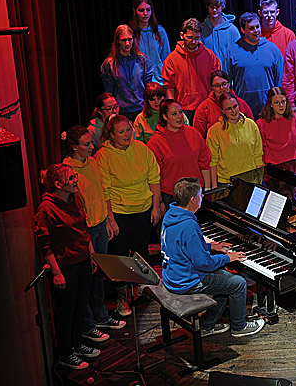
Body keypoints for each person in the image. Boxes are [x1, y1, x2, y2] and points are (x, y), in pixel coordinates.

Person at [160, 177, 265, 337]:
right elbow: (204, 263)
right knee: (238, 283)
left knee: (225, 279)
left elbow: (181, 247)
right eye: (201, 195)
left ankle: (207, 325)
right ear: (193, 200)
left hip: (172, 275)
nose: (203, 198)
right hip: (186, 281)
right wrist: (228, 258)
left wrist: (211, 246)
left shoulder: (171, 215)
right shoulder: (188, 225)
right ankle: (239, 326)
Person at [95, 115, 164, 316]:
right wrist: (110, 219)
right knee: (121, 257)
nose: (127, 134)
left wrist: (156, 206)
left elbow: (154, 178)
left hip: (143, 210)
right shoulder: (104, 156)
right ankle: (122, 299)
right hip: (119, 213)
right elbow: (104, 190)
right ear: (112, 135)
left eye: (128, 130)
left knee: (140, 252)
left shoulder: (142, 149)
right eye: (122, 131)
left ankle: (140, 290)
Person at [34, 163, 99, 369]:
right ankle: (66, 352)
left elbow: (83, 227)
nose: (75, 180)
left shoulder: (75, 198)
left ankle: (77, 344)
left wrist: (91, 255)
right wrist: (56, 272)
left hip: (82, 261)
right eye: (71, 178)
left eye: (74, 176)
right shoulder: (46, 209)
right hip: (65, 267)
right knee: (66, 311)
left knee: (81, 305)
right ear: (57, 184)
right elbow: (45, 244)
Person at [62, 125, 126, 335]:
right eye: (86, 144)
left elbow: (103, 190)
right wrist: (88, 237)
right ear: (73, 147)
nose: (92, 146)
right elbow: (76, 207)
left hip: (99, 225)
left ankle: (101, 317)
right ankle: (88, 325)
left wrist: (109, 219)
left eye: (92, 142)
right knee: (87, 278)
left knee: (99, 275)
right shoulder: (69, 171)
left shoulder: (93, 162)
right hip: (85, 230)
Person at [147, 98, 212, 199]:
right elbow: (153, 178)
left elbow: (204, 162)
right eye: (174, 114)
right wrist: (158, 202)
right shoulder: (155, 143)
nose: (179, 117)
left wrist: (208, 189)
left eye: (181, 112)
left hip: (196, 192)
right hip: (171, 196)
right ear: (165, 116)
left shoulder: (193, 133)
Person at [162, 18, 222, 120]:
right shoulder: (171, 59)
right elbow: (169, 88)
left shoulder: (210, 56)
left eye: (197, 38)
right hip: (182, 109)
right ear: (182, 35)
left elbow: (217, 83)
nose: (193, 42)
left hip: (206, 107)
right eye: (189, 37)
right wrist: (172, 110)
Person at [226, 11, 284, 118]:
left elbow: (279, 80)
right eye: (251, 28)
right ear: (243, 30)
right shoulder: (232, 50)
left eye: (257, 27)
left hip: (268, 109)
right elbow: (228, 81)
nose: (256, 31)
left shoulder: (272, 49)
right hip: (242, 109)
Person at [206, 92, 264, 184]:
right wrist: (214, 187)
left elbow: (258, 155)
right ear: (222, 111)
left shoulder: (251, 125)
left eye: (235, 106)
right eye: (228, 109)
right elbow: (213, 162)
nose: (233, 111)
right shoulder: (214, 131)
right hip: (226, 182)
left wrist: (259, 181)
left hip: (250, 180)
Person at [100, 24, 150, 119]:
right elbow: (109, 93)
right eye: (123, 40)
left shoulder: (143, 61)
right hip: (122, 111)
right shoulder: (110, 64)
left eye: (130, 39)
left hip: (141, 110)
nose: (127, 43)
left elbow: (148, 88)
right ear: (118, 41)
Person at [192, 70, 254, 143]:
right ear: (211, 88)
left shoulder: (241, 103)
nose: (221, 88)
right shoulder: (203, 108)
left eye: (224, 84)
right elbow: (198, 136)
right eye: (217, 86)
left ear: (229, 84)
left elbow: (251, 128)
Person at [257, 86, 296, 165]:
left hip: (293, 163)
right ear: (270, 104)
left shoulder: (295, 119)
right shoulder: (261, 123)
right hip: (273, 165)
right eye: (276, 102)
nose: (281, 105)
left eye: (283, 101)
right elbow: (261, 148)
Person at [129, 0, 169, 84]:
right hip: (139, 83)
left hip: (160, 81)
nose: (145, 14)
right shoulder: (131, 33)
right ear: (134, 11)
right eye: (141, 10)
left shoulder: (160, 31)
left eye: (148, 10)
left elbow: (166, 57)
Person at [200, 0, 240, 70]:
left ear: (223, 6)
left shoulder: (232, 30)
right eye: (211, 7)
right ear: (207, 7)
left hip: (228, 79)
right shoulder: (201, 29)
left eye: (217, 7)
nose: (214, 10)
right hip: (208, 78)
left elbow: (238, 57)